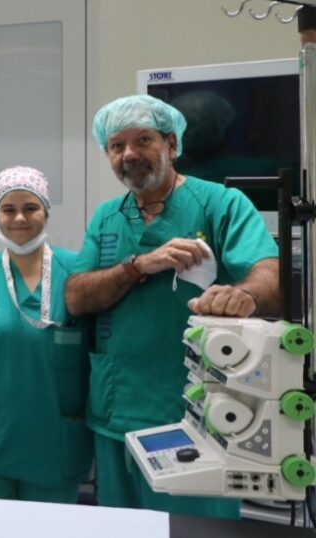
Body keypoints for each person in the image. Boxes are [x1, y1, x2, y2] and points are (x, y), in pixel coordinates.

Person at [65, 94, 279, 517]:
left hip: (195, 414)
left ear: (172, 145)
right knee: (123, 527)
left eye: (143, 140)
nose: (129, 154)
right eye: (116, 146)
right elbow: (76, 296)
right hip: (117, 410)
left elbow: (269, 273)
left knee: (194, 527)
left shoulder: (220, 204)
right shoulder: (108, 216)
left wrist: (245, 295)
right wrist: (138, 266)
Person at [0, 166, 92, 503]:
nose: (19, 218)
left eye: (30, 208)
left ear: (46, 211)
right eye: (8, 210)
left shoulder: (79, 274)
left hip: (56, 447)